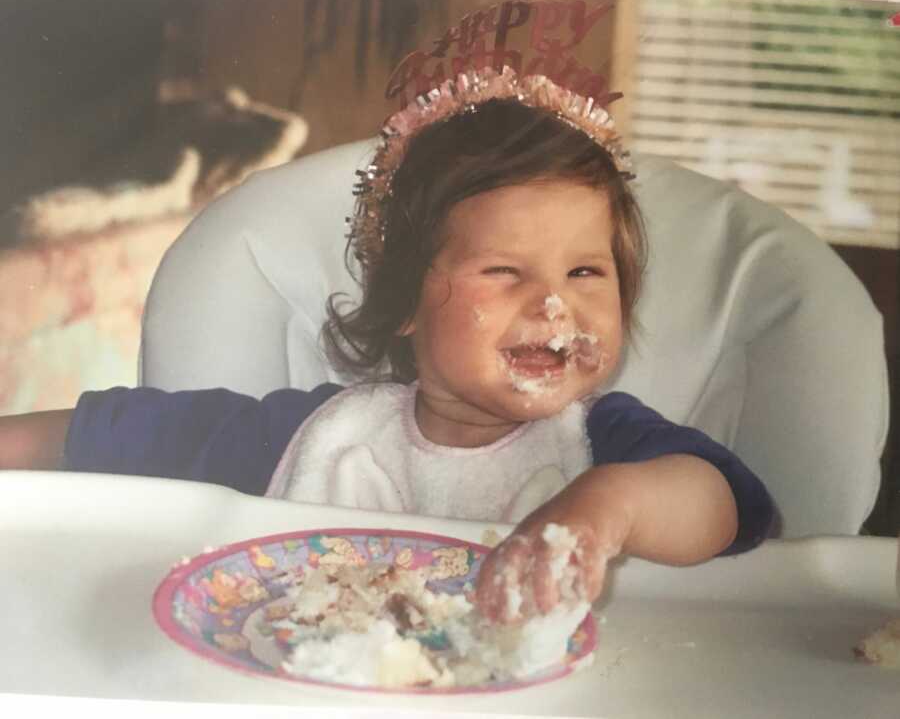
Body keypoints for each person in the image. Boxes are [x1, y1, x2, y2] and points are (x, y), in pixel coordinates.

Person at [0, 67, 773, 624]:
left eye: (585, 271)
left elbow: (731, 504)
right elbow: (109, 435)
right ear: (403, 299)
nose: (552, 302)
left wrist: (609, 506)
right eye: (503, 271)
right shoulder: (317, 437)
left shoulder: (603, 442)